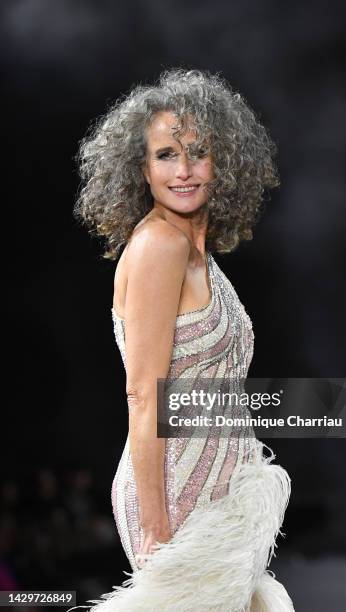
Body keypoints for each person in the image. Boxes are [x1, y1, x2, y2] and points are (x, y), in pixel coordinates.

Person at [70, 68, 294, 612]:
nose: (185, 170)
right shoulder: (157, 248)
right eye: (166, 154)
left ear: (225, 163)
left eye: (198, 152)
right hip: (176, 492)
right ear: (140, 168)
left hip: (227, 491)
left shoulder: (198, 252)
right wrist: (155, 522)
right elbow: (144, 393)